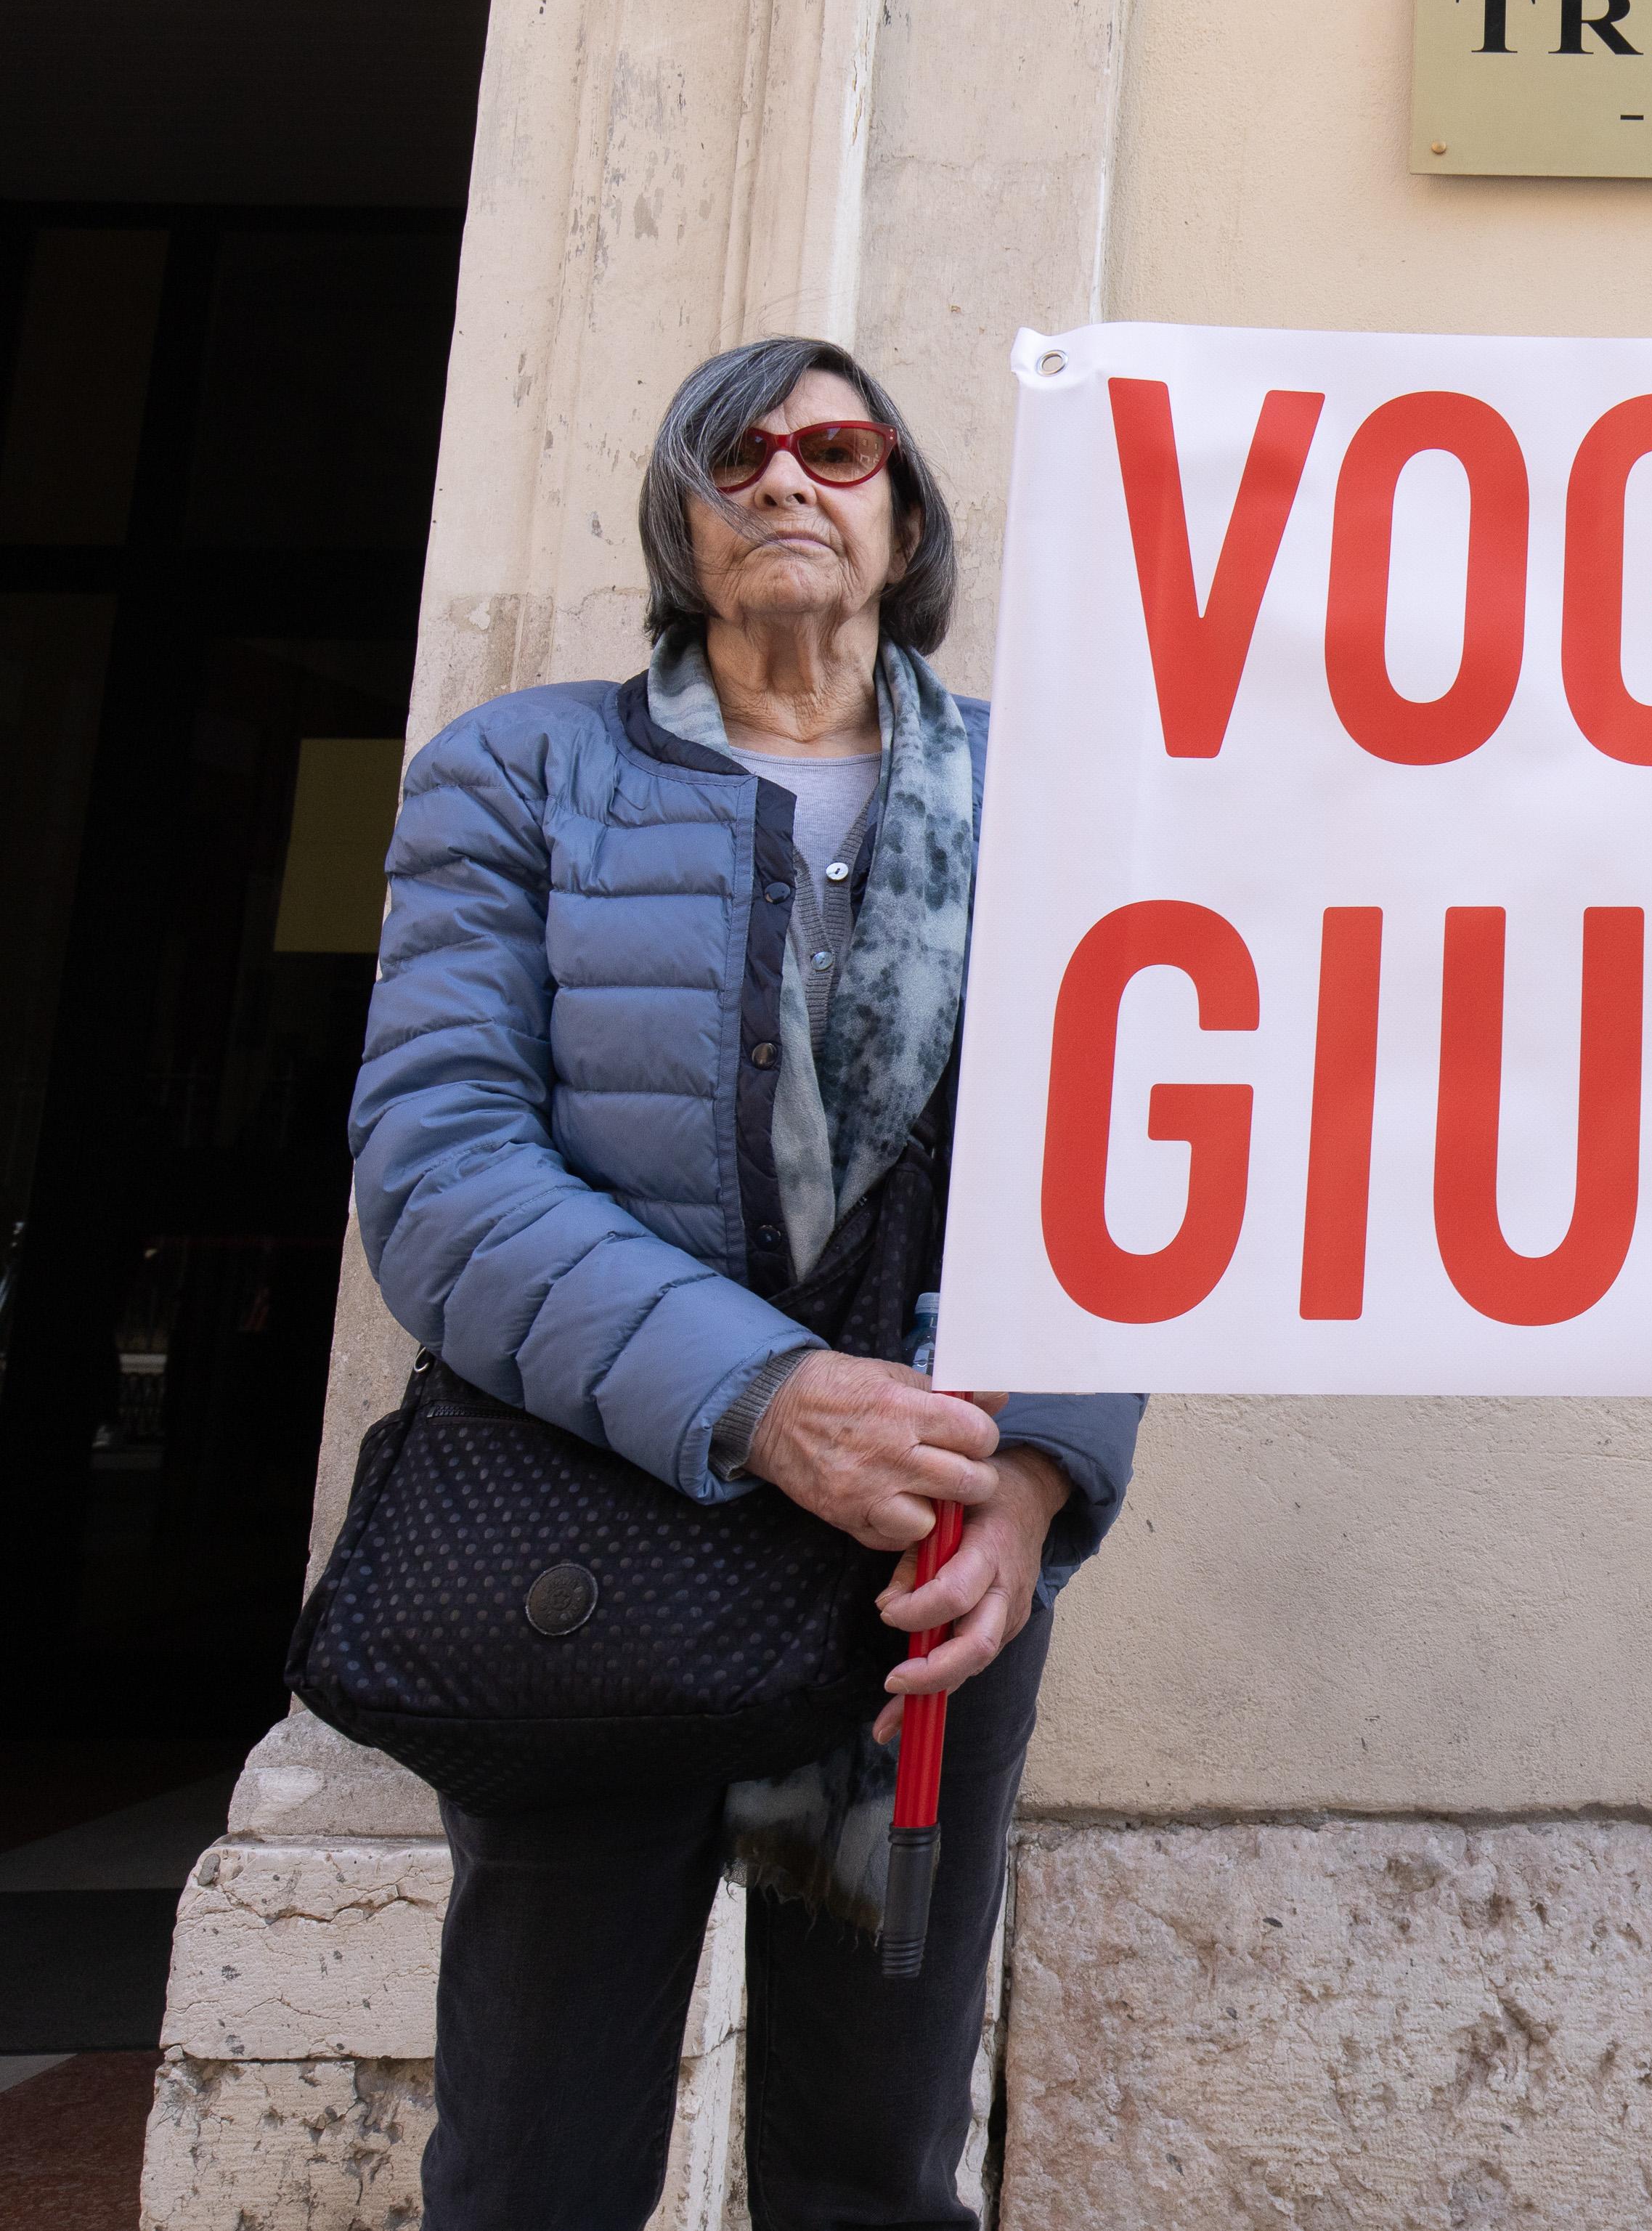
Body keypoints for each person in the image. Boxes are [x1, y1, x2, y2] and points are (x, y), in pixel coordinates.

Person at [349, 338, 1139, 2227]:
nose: (787, 478)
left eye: (836, 446)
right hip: (593, 1549)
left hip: (914, 1585)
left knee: (867, 2158)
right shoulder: (525, 772)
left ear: (905, 511)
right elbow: (440, 1164)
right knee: (538, 2156)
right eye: (736, 452)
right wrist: (762, 1396)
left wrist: (1032, 1472)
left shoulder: (1051, 799)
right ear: (681, 522)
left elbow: (1117, 1172)